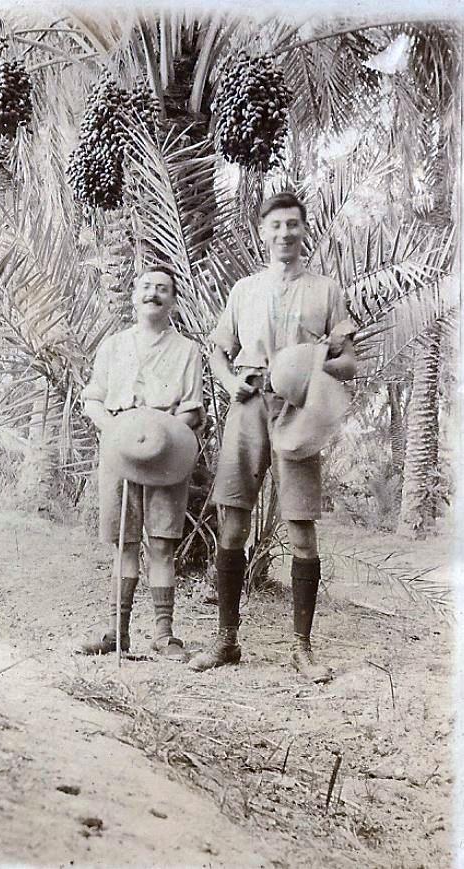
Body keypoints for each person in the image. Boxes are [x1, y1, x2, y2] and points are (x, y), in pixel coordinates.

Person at [189, 192, 357, 681]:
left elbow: (348, 363)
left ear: (305, 230)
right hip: (248, 404)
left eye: (293, 225)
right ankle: (226, 639)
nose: (285, 233)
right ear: (262, 232)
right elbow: (219, 350)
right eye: (276, 225)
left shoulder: (325, 290)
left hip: (299, 410)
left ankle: (301, 649)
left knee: (302, 526)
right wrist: (227, 380)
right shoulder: (244, 290)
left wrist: (308, 363)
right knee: (233, 520)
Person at [80, 267, 205, 661]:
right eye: (147, 287)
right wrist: (119, 432)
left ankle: (163, 634)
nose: (154, 294)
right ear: (134, 297)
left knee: (163, 545)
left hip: (167, 454)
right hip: (120, 451)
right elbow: (94, 399)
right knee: (124, 543)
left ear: (173, 300)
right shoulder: (114, 346)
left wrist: (161, 436)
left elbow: (191, 410)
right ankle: (118, 633)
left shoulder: (187, 351)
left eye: (163, 289)